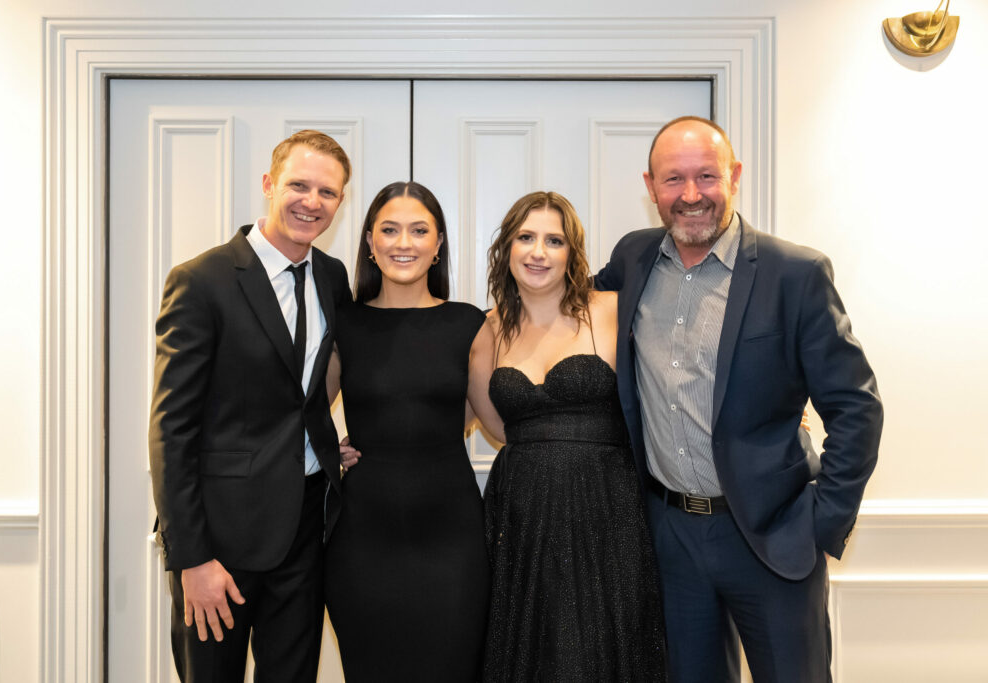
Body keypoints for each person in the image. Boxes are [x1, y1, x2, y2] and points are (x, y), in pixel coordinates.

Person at [595, 116, 884, 682]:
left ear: (735, 176)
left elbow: (857, 407)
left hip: (774, 538)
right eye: (673, 179)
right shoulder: (633, 259)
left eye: (707, 175)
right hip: (671, 539)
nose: (691, 194)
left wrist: (822, 522)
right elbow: (562, 312)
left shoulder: (794, 273)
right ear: (650, 187)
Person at [148, 130, 352, 682]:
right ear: (269, 184)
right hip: (221, 539)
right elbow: (171, 429)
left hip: (307, 530)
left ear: (340, 200)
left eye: (327, 192)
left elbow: (304, 390)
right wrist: (191, 558)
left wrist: (324, 443)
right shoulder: (201, 280)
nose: (312, 202)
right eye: (299, 185)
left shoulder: (332, 277)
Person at [468, 191, 667, 682]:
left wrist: (769, 412)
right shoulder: (488, 330)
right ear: (506, 248)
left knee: (604, 648)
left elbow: (683, 372)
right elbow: (494, 425)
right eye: (526, 237)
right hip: (521, 514)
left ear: (572, 252)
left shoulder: (613, 310)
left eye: (554, 240)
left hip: (607, 509)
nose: (538, 252)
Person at [324, 181, 490, 681]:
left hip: (452, 540)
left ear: (438, 244)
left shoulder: (470, 323)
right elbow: (296, 413)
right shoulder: (343, 324)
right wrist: (322, 451)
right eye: (389, 230)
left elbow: (496, 421)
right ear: (369, 242)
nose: (404, 243)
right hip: (362, 542)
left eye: (419, 231)